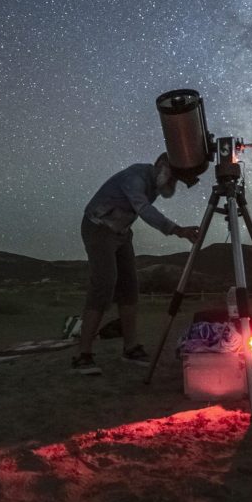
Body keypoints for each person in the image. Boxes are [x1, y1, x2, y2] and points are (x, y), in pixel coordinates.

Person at [72, 153, 199, 375]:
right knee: (104, 285)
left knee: (130, 288)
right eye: (173, 176)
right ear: (161, 166)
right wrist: (177, 230)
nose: (173, 183)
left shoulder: (155, 185)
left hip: (121, 232)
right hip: (99, 227)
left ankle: (130, 348)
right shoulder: (136, 176)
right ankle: (83, 354)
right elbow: (143, 209)